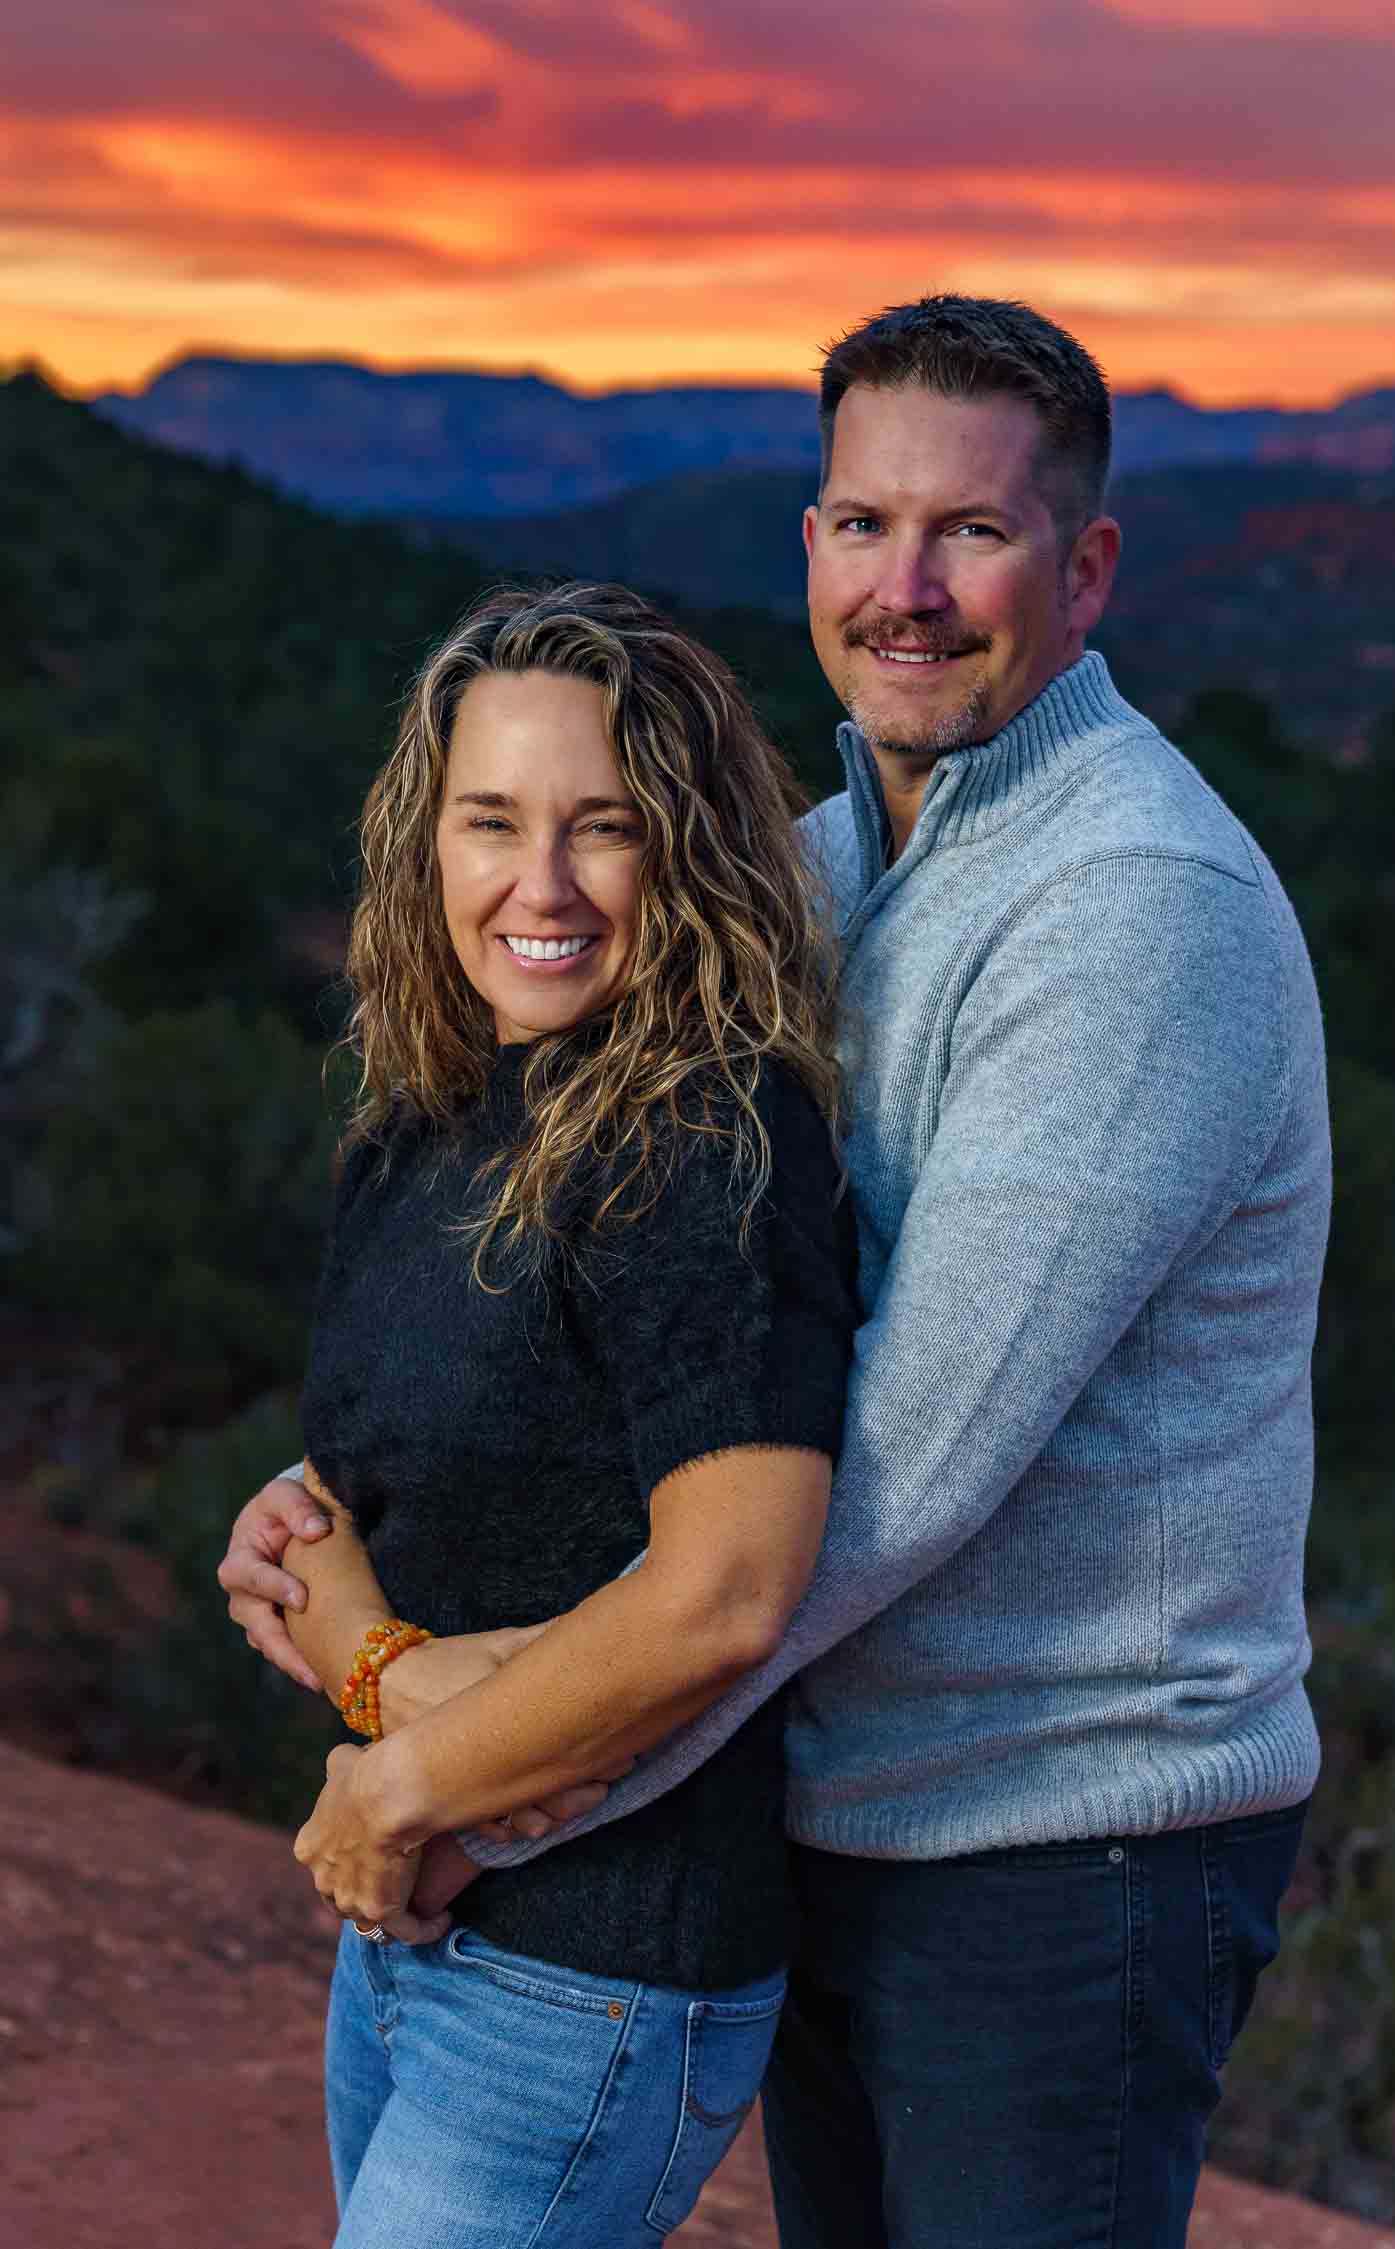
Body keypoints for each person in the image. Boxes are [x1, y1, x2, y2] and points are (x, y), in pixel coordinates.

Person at [225, 296, 1331, 2249]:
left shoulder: (1133, 910)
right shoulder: (814, 873)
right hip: (825, 1796)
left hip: (1060, 1840)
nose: (906, 588)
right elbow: (620, 1284)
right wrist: (373, 1529)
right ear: (807, 541)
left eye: (973, 534)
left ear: (1084, 571)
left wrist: (454, 1753)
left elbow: (895, 1477)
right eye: (859, 525)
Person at [253, 580, 857, 2247]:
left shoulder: (702, 1147)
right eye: (491, 822)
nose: (541, 886)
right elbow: (417, 1459)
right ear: (424, 840)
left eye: (606, 829)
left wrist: (392, 1770)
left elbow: (729, 1589)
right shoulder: (421, 1124)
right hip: (413, 1936)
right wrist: (303, 1528)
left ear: (692, 854)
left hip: (594, 1971)